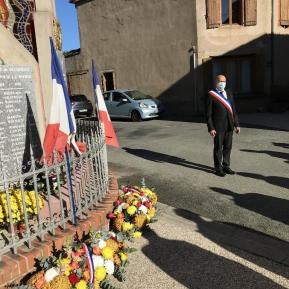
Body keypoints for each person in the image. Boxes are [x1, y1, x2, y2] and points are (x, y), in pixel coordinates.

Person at [206, 75, 240, 177]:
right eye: (221, 81)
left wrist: (237, 124)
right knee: (218, 148)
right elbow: (208, 114)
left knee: (228, 147)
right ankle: (218, 168)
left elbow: (233, 110)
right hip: (218, 127)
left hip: (229, 125)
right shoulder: (211, 94)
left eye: (224, 81)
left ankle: (226, 166)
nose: (223, 83)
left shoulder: (229, 93)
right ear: (216, 82)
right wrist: (211, 127)